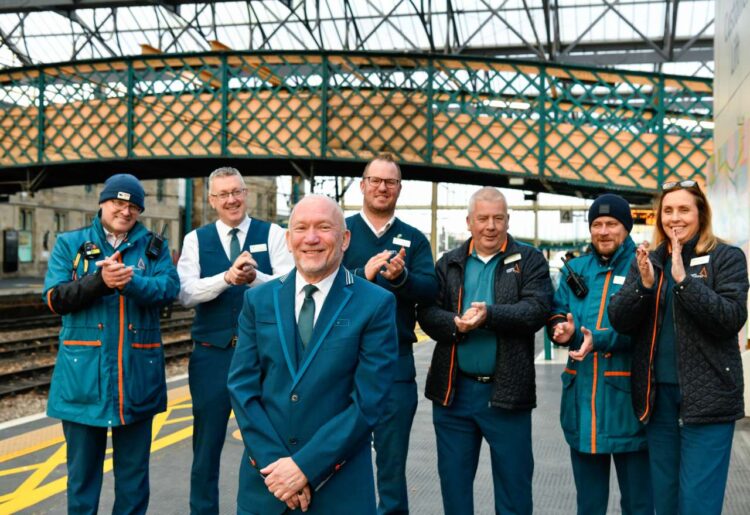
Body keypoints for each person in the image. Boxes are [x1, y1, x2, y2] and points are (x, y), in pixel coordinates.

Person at [228, 194, 398, 515]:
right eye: (301, 228)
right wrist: (278, 470)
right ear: (289, 240)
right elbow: (243, 389)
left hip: (339, 490)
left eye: (324, 227)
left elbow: (368, 402)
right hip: (267, 487)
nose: (311, 238)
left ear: (345, 238)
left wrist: (304, 468)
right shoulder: (258, 300)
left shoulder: (375, 304)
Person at [608, 180, 748, 515]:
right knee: (666, 501)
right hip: (658, 401)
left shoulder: (725, 257)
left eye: (684, 209)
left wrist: (684, 281)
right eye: (668, 210)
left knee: (698, 503)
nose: (675, 218)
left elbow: (730, 318)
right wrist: (643, 286)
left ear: (701, 214)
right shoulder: (649, 260)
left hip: (708, 397)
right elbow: (619, 320)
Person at [43, 173, 180, 514]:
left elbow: (169, 290)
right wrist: (100, 282)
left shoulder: (155, 247)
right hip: (82, 380)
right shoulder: (69, 243)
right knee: (82, 478)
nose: (125, 211)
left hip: (137, 379)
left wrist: (130, 284)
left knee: (133, 480)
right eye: (118, 203)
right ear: (102, 203)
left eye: (133, 206)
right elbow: (54, 298)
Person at [417, 186, 553, 515]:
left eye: (497, 218)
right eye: (482, 219)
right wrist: (454, 323)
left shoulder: (530, 260)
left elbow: (537, 309)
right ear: (469, 222)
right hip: (454, 394)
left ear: (508, 220)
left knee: (515, 490)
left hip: (507, 393)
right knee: (455, 488)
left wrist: (489, 316)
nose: (490, 226)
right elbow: (427, 313)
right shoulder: (448, 263)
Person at [177, 167, 293, 515]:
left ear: (246, 194)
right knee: (205, 448)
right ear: (212, 200)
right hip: (211, 358)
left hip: (263, 358)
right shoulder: (196, 240)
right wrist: (227, 278)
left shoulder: (273, 233)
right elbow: (185, 294)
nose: (231, 199)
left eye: (237, 191)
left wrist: (255, 277)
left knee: (268, 442)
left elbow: (289, 286)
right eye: (223, 194)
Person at [342, 153, 438, 515]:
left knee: (391, 467)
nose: (383, 188)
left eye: (391, 182)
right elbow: (322, 283)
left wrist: (401, 278)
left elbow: (431, 289)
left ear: (399, 188)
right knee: (337, 461)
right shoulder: (343, 231)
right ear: (363, 184)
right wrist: (362, 275)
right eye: (376, 180)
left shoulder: (413, 239)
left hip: (394, 362)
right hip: (341, 360)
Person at [547, 194, 653, 515]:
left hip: (626, 404)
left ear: (626, 227)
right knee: (589, 504)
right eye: (597, 224)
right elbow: (557, 310)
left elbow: (646, 327)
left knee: (638, 504)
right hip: (581, 400)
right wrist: (561, 331)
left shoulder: (642, 265)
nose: (603, 231)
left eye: (612, 224)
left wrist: (601, 339)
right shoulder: (575, 269)